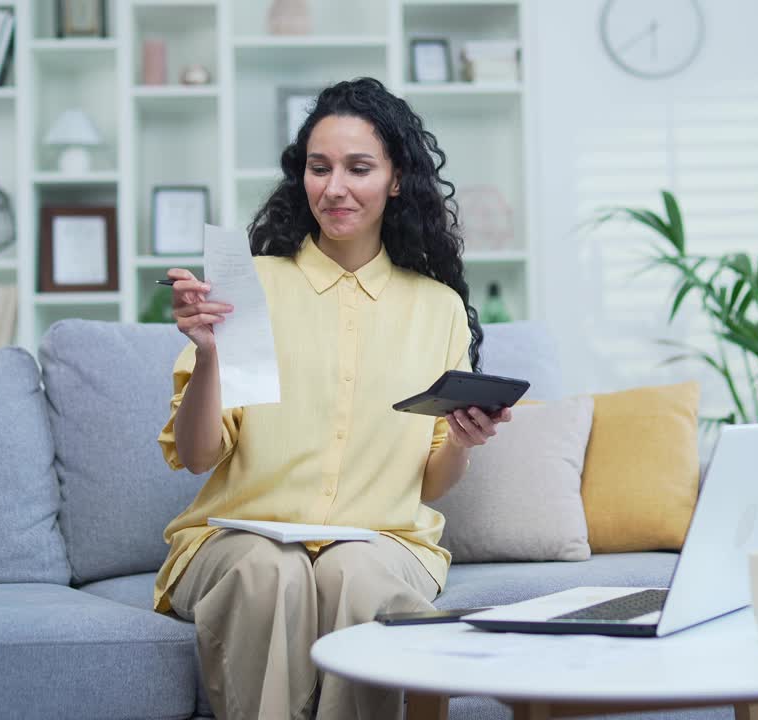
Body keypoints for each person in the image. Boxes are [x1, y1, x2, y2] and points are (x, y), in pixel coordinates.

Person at [154, 77, 512, 720]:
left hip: (381, 540)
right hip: (237, 541)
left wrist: (460, 440)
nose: (335, 188)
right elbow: (200, 453)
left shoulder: (437, 309)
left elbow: (428, 484)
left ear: (396, 180)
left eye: (359, 168)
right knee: (272, 571)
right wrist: (209, 352)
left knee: (355, 571)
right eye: (320, 168)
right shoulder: (251, 286)